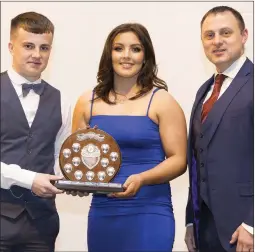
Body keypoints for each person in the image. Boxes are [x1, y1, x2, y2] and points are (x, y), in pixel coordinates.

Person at [72, 23, 187, 251]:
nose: (126, 56)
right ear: (109, 54)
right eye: (118, 48)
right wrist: (78, 182)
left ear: (146, 57)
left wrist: (141, 178)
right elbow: (77, 159)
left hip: (150, 210)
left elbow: (178, 160)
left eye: (135, 49)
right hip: (103, 212)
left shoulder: (163, 101)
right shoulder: (86, 102)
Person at [184, 6, 253, 252]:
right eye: (209, 35)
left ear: (244, 35)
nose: (217, 41)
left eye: (225, 33)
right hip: (205, 226)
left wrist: (252, 224)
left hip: (244, 228)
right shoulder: (204, 90)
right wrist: (191, 220)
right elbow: (196, 160)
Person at [0, 12, 71, 251]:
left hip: (41, 225)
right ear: (11, 47)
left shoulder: (62, 101)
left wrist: (77, 182)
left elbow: (61, 158)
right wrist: (29, 180)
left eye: (44, 48)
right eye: (28, 46)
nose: (37, 55)